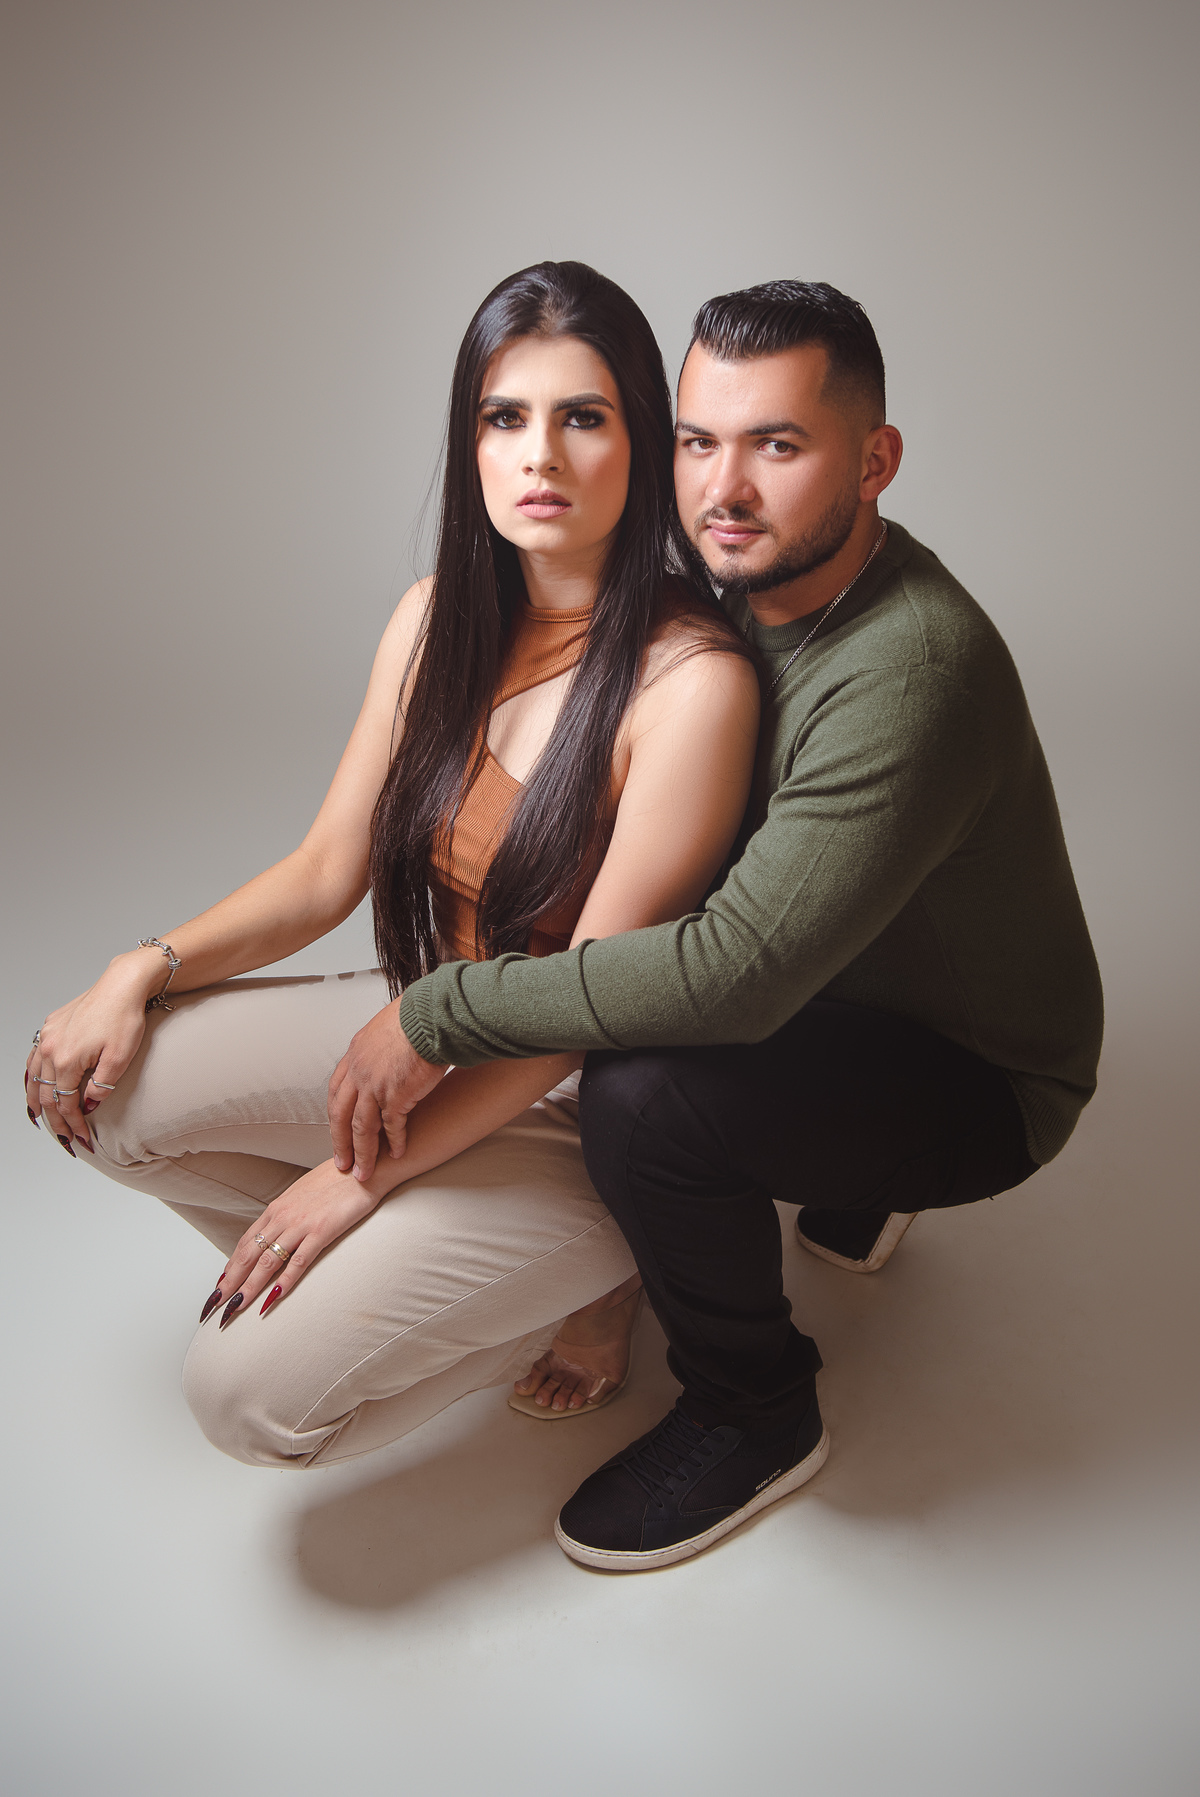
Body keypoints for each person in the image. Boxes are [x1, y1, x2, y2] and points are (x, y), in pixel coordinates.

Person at [346, 281, 1106, 1572]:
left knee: (646, 1098)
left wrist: (441, 1009)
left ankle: (755, 1406)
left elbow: (734, 981)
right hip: (831, 972)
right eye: (699, 441)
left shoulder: (909, 674)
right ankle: (841, 1187)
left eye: (779, 445)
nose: (724, 489)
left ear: (875, 462)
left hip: (974, 1069)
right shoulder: (740, 580)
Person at [24, 260, 760, 1457]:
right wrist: (139, 968)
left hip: (576, 1101)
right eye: (505, 417)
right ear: (470, 440)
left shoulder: (692, 685)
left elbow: (587, 1005)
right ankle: (399, 1267)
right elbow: (327, 870)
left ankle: (589, 1284)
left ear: (643, 440)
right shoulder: (433, 619)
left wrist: (360, 1178)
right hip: (421, 1021)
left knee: (244, 1403)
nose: (540, 456)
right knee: (103, 1095)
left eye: (583, 418)